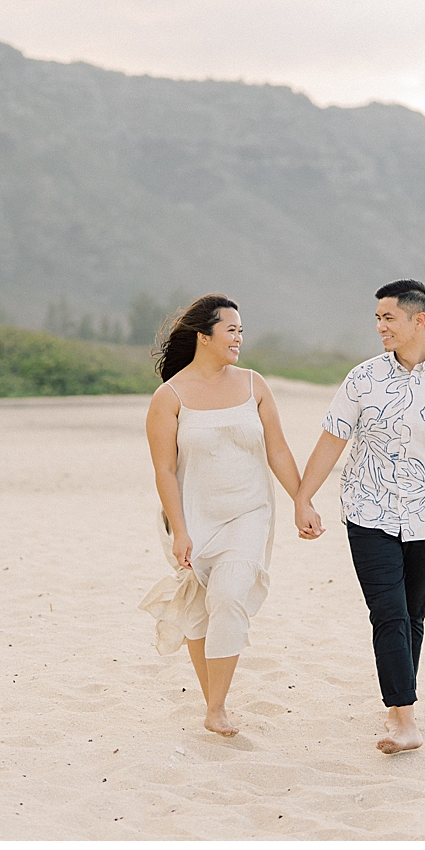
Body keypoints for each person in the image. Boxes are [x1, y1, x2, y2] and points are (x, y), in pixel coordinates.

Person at [294, 279, 425, 754]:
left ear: (418, 319)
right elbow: (332, 439)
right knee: (389, 613)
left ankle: (400, 703)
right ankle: (405, 719)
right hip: (367, 511)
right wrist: (303, 497)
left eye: (388, 318)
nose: (380, 326)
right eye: (377, 318)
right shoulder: (362, 379)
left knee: (413, 615)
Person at [139, 294, 304, 737]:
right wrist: (180, 530)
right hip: (191, 517)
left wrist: (301, 500)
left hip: (248, 513)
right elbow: (164, 469)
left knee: (229, 596)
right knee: (199, 607)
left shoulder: (254, 385)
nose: (239, 338)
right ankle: (213, 701)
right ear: (203, 336)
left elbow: (279, 449)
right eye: (231, 330)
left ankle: (216, 708)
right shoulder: (169, 397)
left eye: (241, 331)